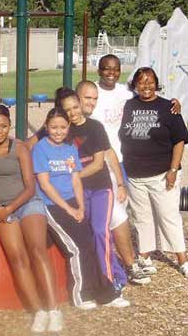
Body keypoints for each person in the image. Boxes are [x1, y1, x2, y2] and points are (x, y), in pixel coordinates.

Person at [89, 55, 180, 280]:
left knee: (125, 209)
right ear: (99, 70)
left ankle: (135, 255)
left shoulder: (125, 94)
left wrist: (174, 103)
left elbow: (149, 96)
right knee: (111, 211)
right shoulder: (91, 92)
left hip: (123, 159)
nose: (111, 72)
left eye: (115, 69)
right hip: (100, 159)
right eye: (106, 69)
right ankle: (114, 258)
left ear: (120, 71)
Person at [0, 104, 62, 333]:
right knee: (17, 258)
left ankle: (53, 310)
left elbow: (31, 188)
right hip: (0, 208)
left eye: (3, 126)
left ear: (10, 126)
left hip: (26, 203)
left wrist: (9, 208)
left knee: (37, 250)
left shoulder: (20, 148)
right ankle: (38, 312)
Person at [32, 107, 130, 311]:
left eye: (62, 127)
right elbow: (46, 185)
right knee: (77, 248)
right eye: (53, 127)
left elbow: (76, 179)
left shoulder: (69, 148)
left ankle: (105, 292)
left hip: (74, 202)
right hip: (54, 205)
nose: (58, 131)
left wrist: (81, 206)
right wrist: (69, 209)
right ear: (46, 127)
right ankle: (81, 294)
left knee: (93, 242)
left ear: (68, 127)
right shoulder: (41, 149)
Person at [57, 88, 151, 288]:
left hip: (100, 186)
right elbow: (42, 141)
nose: (73, 112)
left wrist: (120, 183)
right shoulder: (62, 130)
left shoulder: (95, 127)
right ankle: (108, 274)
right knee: (93, 233)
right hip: (80, 191)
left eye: (76, 107)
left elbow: (104, 160)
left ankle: (119, 273)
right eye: (68, 110)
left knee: (105, 228)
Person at [119, 67, 188, 278]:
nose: (146, 86)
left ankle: (183, 260)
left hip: (162, 173)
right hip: (135, 174)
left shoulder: (168, 107)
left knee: (168, 216)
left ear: (157, 83)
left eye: (150, 81)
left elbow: (180, 140)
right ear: (135, 85)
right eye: (141, 82)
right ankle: (144, 256)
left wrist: (173, 169)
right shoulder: (128, 105)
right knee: (141, 217)